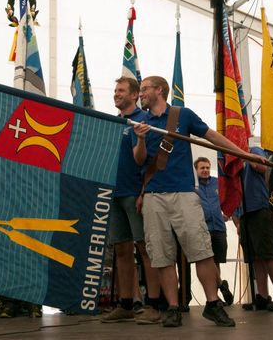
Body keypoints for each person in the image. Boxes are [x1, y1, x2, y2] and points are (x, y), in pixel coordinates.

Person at [132, 75, 262, 327]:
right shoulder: (139, 122)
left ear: (160, 90)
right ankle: (172, 307)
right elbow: (139, 160)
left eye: (145, 89)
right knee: (161, 255)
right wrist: (139, 138)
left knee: (201, 251)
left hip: (184, 194)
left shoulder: (183, 115)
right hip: (154, 196)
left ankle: (212, 304)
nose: (141, 94)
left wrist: (243, 153)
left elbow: (212, 136)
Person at [101, 76, 161, 325]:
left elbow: (153, 162)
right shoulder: (111, 123)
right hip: (114, 194)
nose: (116, 94)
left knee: (145, 249)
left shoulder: (144, 121)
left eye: (122, 90)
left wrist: (143, 192)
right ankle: (126, 303)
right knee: (122, 250)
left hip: (135, 194)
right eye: (115, 90)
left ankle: (154, 305)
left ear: (135, 95)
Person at [232, 146, 273, 311]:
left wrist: (246, 155)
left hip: (259, 207)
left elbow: (262, 167)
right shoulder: (233, 158)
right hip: (245, 211)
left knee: (268, 253)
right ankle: (262, 295)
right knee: (256, 256)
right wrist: (238, 218)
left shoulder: (253, 149)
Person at [193, 157, 233, 306]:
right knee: (207, 261)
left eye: (207, 167)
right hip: (203, 229)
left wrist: (228, 212)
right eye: (202, 168)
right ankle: (221, 286)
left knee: (217, 263)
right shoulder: (192, 185)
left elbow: (229, 197)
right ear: (196, 170)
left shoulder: (218, 182)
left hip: (219, 228)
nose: (205, 170)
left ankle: (217, 297)